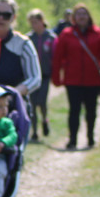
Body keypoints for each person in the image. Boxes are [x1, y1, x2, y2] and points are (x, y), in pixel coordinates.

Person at [51, 3, 100, 149]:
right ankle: (72, 139)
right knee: (74, 110)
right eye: (78, 14)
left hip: (93, 80)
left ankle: (90, 137)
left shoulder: (98, 33)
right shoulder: (67, 34)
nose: (81, 17)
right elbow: (58, 58)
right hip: (72, 79)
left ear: (89, 16)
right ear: (74, 17)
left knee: (91, 110)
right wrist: (56, 78)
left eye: (84, 14)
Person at [26, 9, 56, 142]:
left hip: (45, 75)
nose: (34, 25)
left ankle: (44, 119)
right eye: (31, 23)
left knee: (42, 102)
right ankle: (34, 131)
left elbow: (56, 57)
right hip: (31, 76)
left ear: (42, 21)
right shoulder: (28, 38)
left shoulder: (51, 38)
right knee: (32, 104)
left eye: (36, 22)